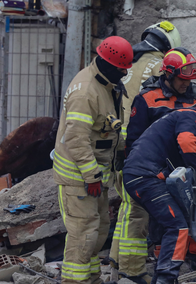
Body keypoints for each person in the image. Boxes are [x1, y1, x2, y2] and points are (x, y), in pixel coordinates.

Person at [111, 47, 196, 283]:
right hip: (159, 169)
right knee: (166, 220)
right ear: (168, 74)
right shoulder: (148, 98)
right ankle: (164, 269)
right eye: (182, 79)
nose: (186, 85)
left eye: (190, 80)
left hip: (189, 166)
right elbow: (136, 139)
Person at [54, 36, 132, 284]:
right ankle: (75, 281)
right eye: (121, 69)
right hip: (80, 178)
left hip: (96, 178)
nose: (124, 73)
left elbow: (107, 129)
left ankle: (92, 278)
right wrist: (91, 176)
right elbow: (76, 138)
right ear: (108, 63)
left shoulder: (106, 84)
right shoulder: (86, 92)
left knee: (97, 232)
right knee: (83, 235)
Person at [122, 103, 196, 284]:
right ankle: (166, 278)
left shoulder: (176, 121)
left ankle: (161, 275)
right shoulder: (190, 117)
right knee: (177, 226)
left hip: (143, 174)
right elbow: (187, 144)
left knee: (169, 220)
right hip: (145, 176)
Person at [109, 21, 181, 284]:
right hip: (138, 149)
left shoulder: (131, 63)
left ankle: (117, 262)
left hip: (120, 143)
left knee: (127, 207)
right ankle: (133, 271)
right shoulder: (158, 66)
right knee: (137, 211)